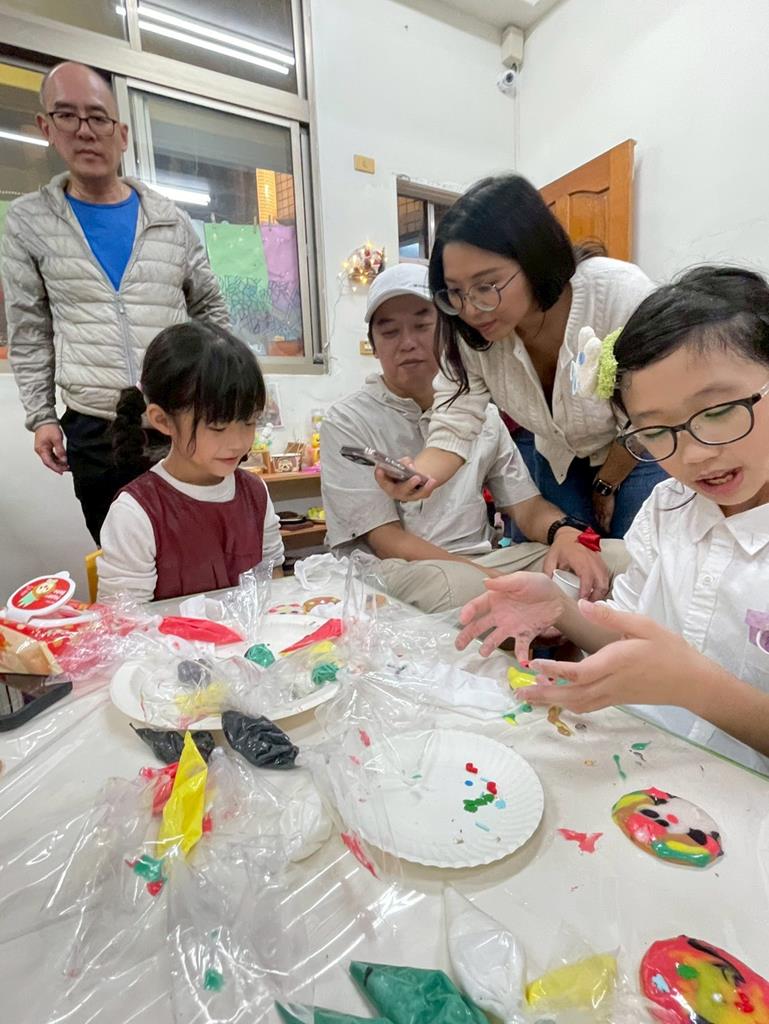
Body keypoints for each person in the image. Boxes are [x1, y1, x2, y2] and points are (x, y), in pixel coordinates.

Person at [455, 266, 769, 773]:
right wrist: (561, 608)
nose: (693, 455)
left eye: (717, 412)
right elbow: (629, 637)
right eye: (655, 432)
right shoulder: (669, 506)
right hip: (650, 768)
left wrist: (692, 685)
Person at [1, 61, 229, 544]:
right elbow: (29, 328)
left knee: (198, 546)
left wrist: (223, 392)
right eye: (67, 116)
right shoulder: (28, 222)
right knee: (123, 555)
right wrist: (42, 416)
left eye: (98, 117)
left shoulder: (170, 220)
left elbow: (210, 310)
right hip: (95, 429)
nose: (85, 131)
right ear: (46, 128)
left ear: (121, 134)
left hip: (180, 419)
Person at [321, 264, 627, 614]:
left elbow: (526, 506)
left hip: (484, 560)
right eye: (389, 332)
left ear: (451, 333)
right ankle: (543, 617)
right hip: (400, 569)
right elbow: (386, 540)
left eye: (422, 325)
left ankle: (566, 632)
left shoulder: (481, 412)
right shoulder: (347, 420)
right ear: (374, 346)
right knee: (453, 588)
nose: (407, 343)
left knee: (619, 559)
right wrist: (494, 580)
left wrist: (566, 534)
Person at [376, 174, 666, 538]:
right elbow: (454, 423)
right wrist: (419, 476)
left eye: (486, 286)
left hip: (638, 448)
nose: (471, 309)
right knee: (567, 560)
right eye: (455, 292)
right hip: (559, 458)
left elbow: (656, 411)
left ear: (534, 259)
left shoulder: (618, 295)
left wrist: (606, 483)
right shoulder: (472, 336)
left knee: (642, 556)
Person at [97, 321, 283, 603]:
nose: (237, 442)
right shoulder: (135, 513)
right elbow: (124, 619)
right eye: (218, 427)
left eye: (249, 422)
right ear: (162, 420)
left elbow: (273, 579)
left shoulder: (255, 493)